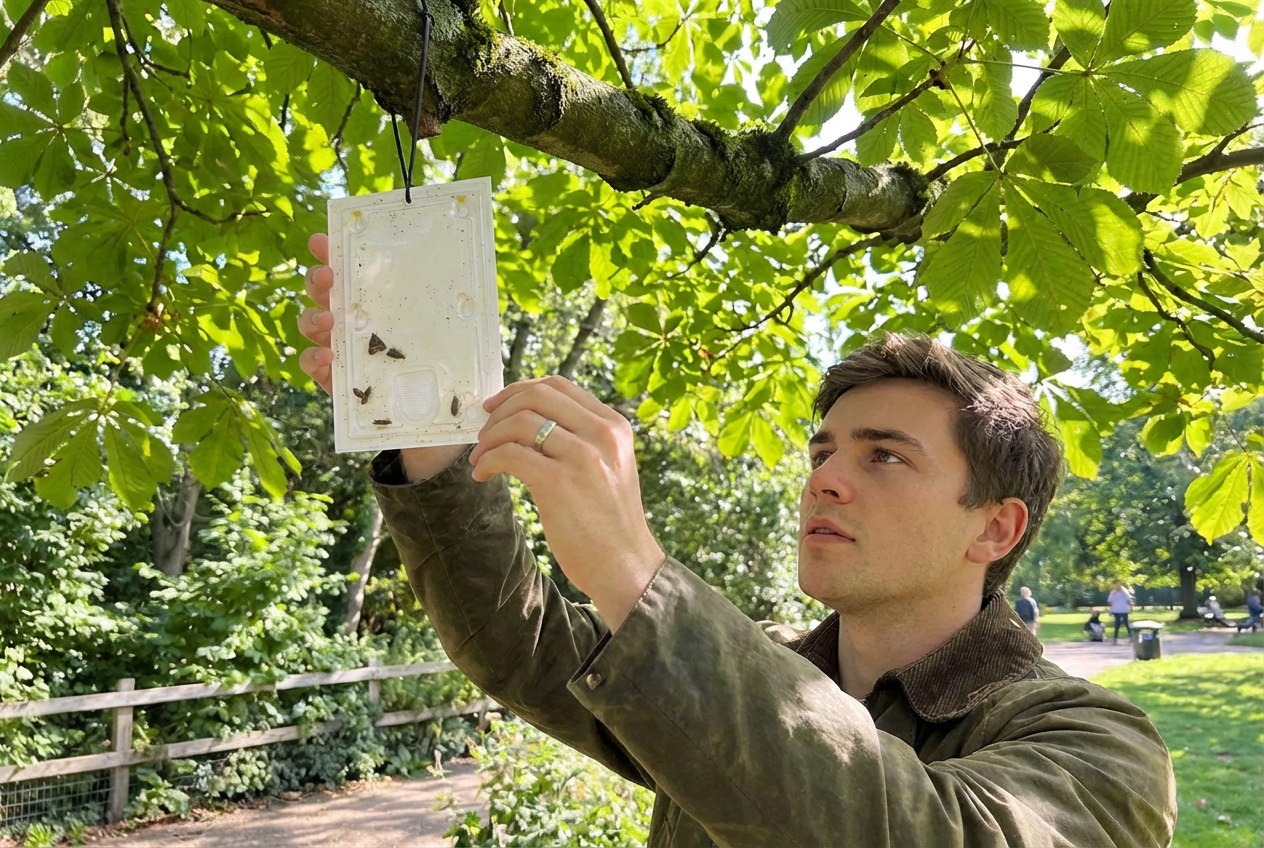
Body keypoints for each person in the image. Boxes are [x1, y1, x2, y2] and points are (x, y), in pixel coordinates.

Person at [298, 233, 1176, 846]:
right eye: (824, 450)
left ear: (995, 526)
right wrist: (433, 440)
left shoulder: (1099, 744)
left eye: (886, 459)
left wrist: (635, 574)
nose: (825, 478)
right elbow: (520, 643)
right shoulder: (762, 673)